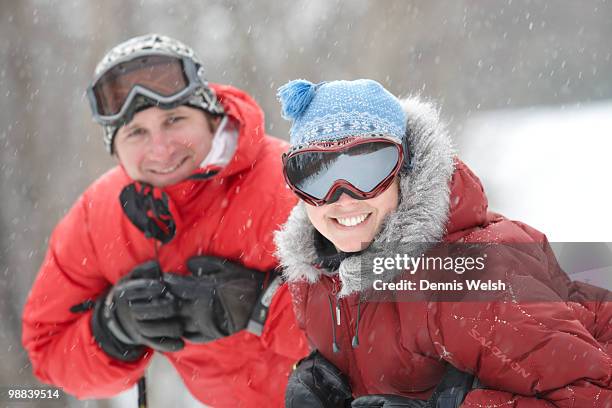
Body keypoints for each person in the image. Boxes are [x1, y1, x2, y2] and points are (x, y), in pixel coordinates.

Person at [274, 79, 612, 407]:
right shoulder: (318, 276)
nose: (343, 199)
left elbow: (595, 395)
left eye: (367, 170)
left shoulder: (468, 279)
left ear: (403, 172)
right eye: (315, 175)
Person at [22, 34, 308, 407]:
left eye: (174, 120)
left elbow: (391, 314)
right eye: (137, 132)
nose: (161, 148)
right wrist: (112, 331)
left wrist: (265, 305)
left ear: (210, 117)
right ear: (115, 146)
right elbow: (47, 350)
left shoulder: (291, 180)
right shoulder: (101, 217)